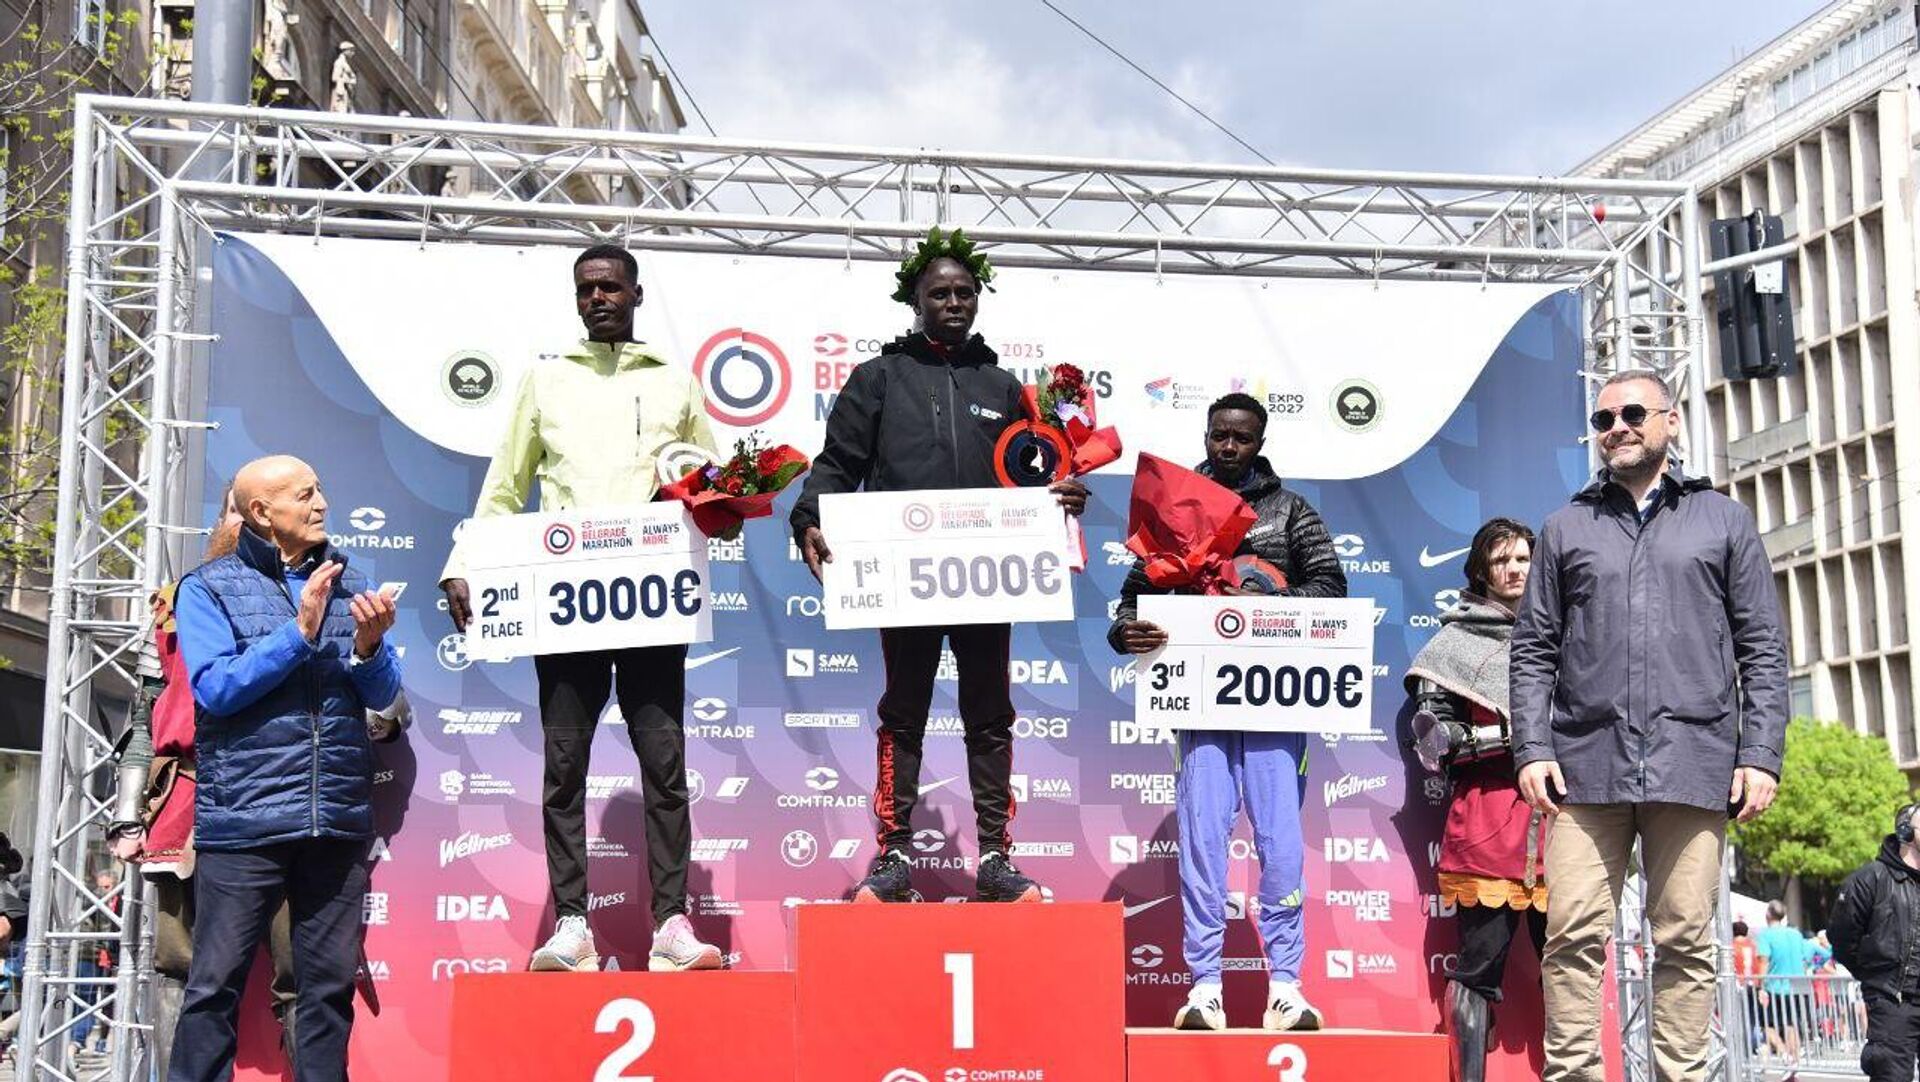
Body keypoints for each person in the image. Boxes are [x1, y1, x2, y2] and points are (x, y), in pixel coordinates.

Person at [439, 243, 723, 973]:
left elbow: (707, 482)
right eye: (586, 289)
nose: (598, 298)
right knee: (565, 766)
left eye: (610, 287)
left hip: (652, 600)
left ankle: (671, 924)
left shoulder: (675, 382)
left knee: (664, 764)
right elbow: (506, 485)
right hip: (566, 601)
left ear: (635, 295)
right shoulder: (546, 379)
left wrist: (726, 504)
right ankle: (572, 925)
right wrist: (463, 562)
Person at [790, 228, 1088, 905]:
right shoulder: (878, 377)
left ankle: (996, 858)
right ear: (916, 302)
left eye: (964, 293)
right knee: (903, 713)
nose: (953, 303)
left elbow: (1036, 469)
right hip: (904, 577)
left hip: (987, 572)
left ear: (977, 299)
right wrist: (808, 517)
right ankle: (894, 855)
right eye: (939, 294)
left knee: (991, 714)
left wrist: (1065, 490)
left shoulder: (1003, 385)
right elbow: (838, 464)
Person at [1510, 367, 1790, 1082]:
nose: (1618, 428)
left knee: (1686, 941)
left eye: (1633, 413)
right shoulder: (1566, 526)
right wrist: (1532, 747)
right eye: (1603, 419)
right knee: (1571, 936)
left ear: (1671, 420)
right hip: (1585, 765)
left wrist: (1760, 753)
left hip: (1693, 760)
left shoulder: (1723, 519)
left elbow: (1762, 646)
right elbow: (1534, 648)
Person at [111, 485, 405, 1071]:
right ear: (259, 514)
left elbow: (386, 704)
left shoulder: (348, 582)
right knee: (206, 980)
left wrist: (370, 648)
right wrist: (299, 633)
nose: (322, 503)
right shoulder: (199, 591)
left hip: (332, 820)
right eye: (305, 494)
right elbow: (201, 696)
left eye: (321, 490)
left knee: (322, 987)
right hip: (238, 816)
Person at [1105, 392, 1346, 1032]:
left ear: (1259, 442)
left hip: (1274, 703)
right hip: (1201, 702)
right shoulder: (1176, 506)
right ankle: (1204, 986)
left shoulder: (1291, 510)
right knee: (1203, 841)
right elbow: (1132, 601)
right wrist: (1126, 631)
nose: (1229, 446)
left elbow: (1331, 588)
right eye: (1219, 435)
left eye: (1241, 437)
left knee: (1281, 842)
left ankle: (1286, 986)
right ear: (1207, 435)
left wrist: (1261, 602)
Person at [1404, 517, 1545, 1081]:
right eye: (1501, 560)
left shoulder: (1568, 635)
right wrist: (1521, 736)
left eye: (1523, 559)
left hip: (1566, 822)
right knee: (1478, 968)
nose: (1514, 570)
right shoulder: (1454, 645)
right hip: (1491, 818)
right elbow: (1432, 742)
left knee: (1573, 969)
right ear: (1481, 571)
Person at [1829, 802, 1920, 1082]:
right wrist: (1877, 979)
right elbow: (1842, 937)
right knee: (1890, 1075)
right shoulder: (1870, 879)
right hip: (1892, 1002)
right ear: (1905, 832)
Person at [1755, 900, 1809, 1071]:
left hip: (1776, 985)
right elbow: (1804, 958)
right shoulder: (1796, 934)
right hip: (1797, 984)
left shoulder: (1765, 935)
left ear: (1768, 914)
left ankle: (1785, 1053)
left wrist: (1761, 987)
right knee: (1792, 1023)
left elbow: (1764, 961)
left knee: (1767, 1024)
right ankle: (1794, 1062)